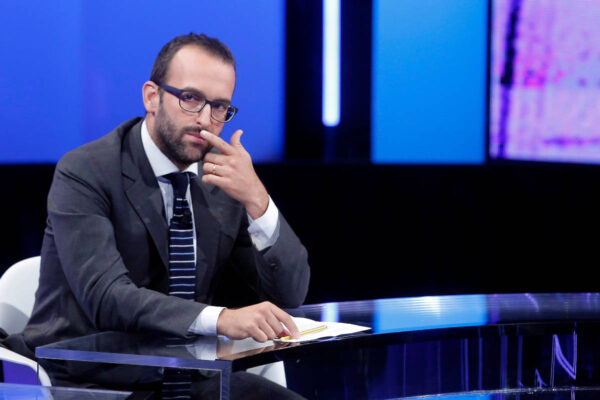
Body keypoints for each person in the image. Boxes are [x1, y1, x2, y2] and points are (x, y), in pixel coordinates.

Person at [3, 33, 310, 399]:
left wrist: (259, 202)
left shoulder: (221, 180)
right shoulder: (86, 171)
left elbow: (288, 294)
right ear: (152, 97)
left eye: (219, 107)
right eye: (190, 98)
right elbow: (106, 296)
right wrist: (221, 318)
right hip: (93, 380)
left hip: (189, 375)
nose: (205, 120)